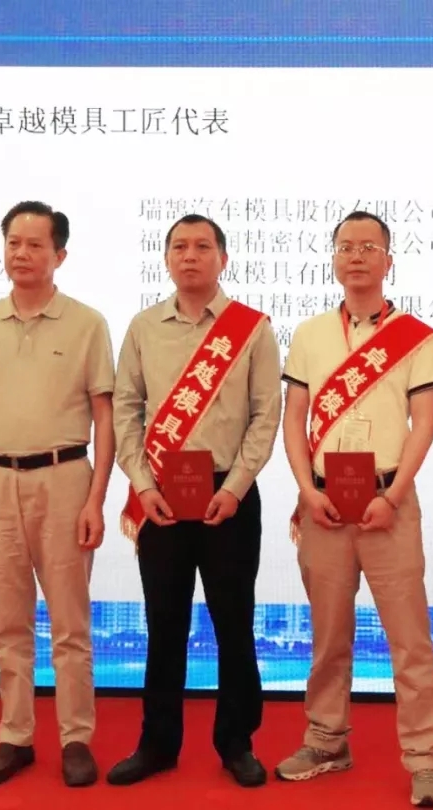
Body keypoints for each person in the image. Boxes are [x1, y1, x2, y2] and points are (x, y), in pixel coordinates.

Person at [275, 211, 433, 806]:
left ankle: (425, 759)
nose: (356, 256)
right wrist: (307, 489)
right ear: (333, 258)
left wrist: (393, 495)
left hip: (388, 502)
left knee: (410, 640)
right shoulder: (309, 334)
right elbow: (294, 419)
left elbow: (424, 424)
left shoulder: (416, 337)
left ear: (388, 260)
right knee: (329, 637)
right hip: (324, 502)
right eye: (346, 246)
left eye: (369, 246)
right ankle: (326, 741)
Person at [107, 214, 281, 788]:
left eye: (202, 246)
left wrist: (235, 488)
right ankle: (158, 743)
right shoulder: (143, 327)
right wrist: (142, 484)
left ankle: (236, 743)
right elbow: (126, 410)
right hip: (161, 496)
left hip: (230, 496)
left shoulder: (251, 329)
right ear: (166, 258)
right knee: (164, 624)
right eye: (179, 246)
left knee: (234, 624)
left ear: (222, 259)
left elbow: (265, 416)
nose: (190, 255)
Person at [0, 201, 116, 788]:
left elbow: (105, 416)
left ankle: (76, 737)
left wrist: (97, 499)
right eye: (13, 243)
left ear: (59, 255)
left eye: (35, 245)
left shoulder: (87, 323)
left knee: (70, 622)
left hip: (65, 477)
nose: (21, 254)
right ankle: (15, 737)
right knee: (8, 621)